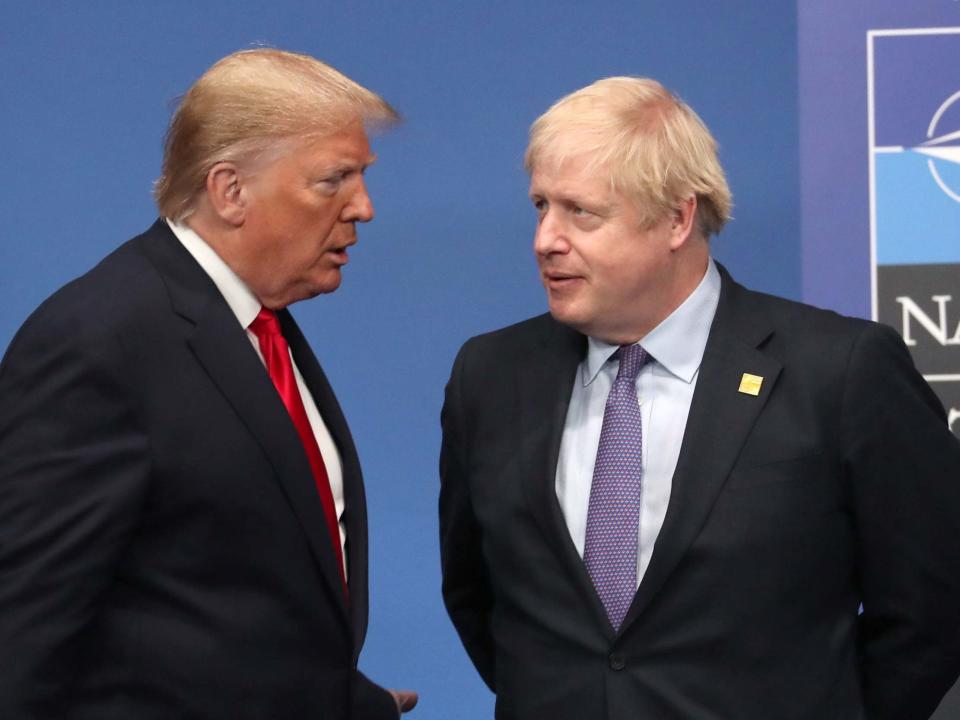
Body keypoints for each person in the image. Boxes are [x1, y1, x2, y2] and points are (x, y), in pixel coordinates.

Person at [439, 77, 960, 720]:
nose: (546, 239)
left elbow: (932, 607)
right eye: (541, 205)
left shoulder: (840, 371)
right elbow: (477, 596)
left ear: (677, 219)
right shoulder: (490, 376)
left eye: (581, 212)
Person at [0, 49, 416, 719]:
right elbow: (21, 633)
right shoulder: (98, 341)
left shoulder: (258, 324)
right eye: (333, 180)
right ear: (230, 191)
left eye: (361, 177)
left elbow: (223, 607)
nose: (363, 207)